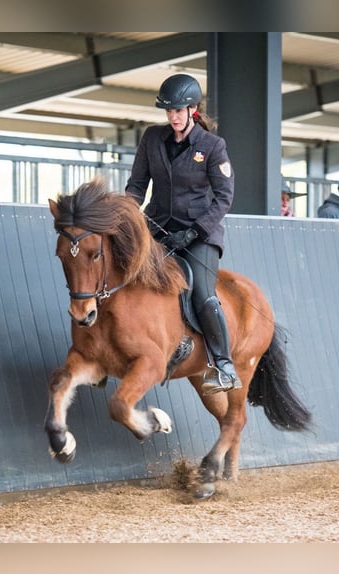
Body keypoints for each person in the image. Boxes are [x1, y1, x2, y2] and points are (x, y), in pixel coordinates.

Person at [125, 73, 239, 394]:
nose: (173, 117)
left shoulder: (213, 147)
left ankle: (225, 365)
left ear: (193, 109)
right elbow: (137, 186)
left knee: (202, 293)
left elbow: (223, 198)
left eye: (179, 111)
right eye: (169, 112)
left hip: (200, 235)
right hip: (157, 227)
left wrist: (193, 233)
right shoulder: (152, 139)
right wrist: (125, 215)